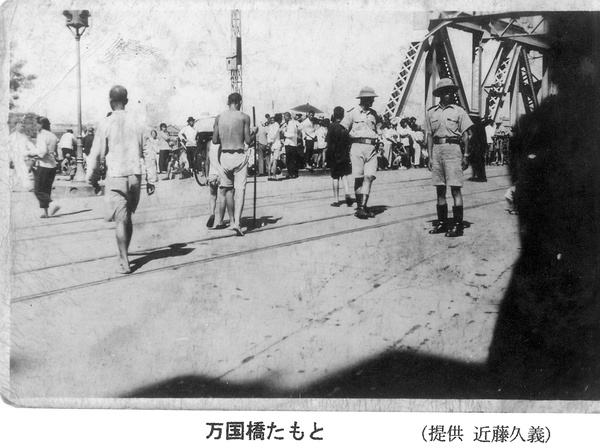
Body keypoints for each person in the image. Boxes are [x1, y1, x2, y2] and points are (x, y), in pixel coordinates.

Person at [86, 85, 155, 274]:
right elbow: (149, 152)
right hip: (135, 174)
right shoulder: (139, 123)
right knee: (127, 217)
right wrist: (152, 178)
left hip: (116, 175)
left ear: (110, 101)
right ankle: (125, 253)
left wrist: (92, 176)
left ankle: (124, 260)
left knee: (120, 220)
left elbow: (97, 154)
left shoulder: (105, 124)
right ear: (127, 101)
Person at [425, 77, 473, 237]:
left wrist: (466, 154)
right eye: (445, 92)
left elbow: (466, 135)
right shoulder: (431, 112)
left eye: (450, 92)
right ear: (439, 94)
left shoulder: (459, 111)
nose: (448, 95)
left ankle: (458, 225)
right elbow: (430, 136)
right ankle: (442, 224)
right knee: (439, 189)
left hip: (454, 150)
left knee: (455, 189)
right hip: (437, 151)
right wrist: (430, 157)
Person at [211, 92, 252, 236]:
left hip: (224, 157)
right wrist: (254, 133)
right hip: (239, 156)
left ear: (228, 102)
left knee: (227, 190)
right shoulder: (244, 117)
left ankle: (231, 219)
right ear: (239, 102)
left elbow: (215, 140)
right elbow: (248, 140)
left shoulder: (219, 117)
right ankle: (237, 223)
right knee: (240, 190)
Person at [340, 86, 382, 219]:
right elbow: (343, 130)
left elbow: (378, 130)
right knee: (359, 177)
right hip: (356, 146)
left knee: (369, 176)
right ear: (365, 99)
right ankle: (360, 207)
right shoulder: (352, 113)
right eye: (371, 99)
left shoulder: (374, 114)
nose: (373, 101)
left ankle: (362, 207)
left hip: (371, 148)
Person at [25, 116, 59, 218]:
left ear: (41, 125)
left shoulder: (42, 135)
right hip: (52, 166)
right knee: (46, 190)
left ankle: (52, 204)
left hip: (43, 166)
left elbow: (42, 152)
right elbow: (54, 151)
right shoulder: (52, 135)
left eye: (36, 124)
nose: (34, 126)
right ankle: (46, 212)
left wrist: (29, 153)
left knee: (38, 190)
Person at [326, 106, 352, 207]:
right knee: (344, 175)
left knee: (335, 177)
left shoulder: (332, 126)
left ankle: (336, 200)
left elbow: (328, 141)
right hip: (344, 154)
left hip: (334, 155)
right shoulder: (345, 126)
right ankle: (347, 193)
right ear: (343, 115)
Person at [9, 120, 36, 191]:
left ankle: (14, 186)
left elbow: (29, 145)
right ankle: (26, 186)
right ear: (17, 126)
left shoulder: (24, 136)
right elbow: (10, 148)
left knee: (20, 172)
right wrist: (10, 158)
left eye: (23, 126)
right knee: (20, 171)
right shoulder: (12, 136)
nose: (23, 128)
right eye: (21, 126)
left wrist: (34, 150)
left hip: (23, 156)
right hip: (15, 156)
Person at [281, 112, 301, 179]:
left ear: (288, 117)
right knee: (290, 160)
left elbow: (292, 134)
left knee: (291, 160)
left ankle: (292, 174)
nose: (284, 119)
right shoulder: (289, 124)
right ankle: (291, 173)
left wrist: (284, 133)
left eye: (285, 117)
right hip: (289, 143)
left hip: (291, 143)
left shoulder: (291, 123)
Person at [267, 114, 283, 181]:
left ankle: (269, 175)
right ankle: (273, 176)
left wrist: (269, 143)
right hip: (276, 144)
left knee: (271, 160)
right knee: (275, 160)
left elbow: (269, 135)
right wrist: (271, 142)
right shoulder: (276, 125)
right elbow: (274, 135)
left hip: (271, 144)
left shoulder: (270, 126)